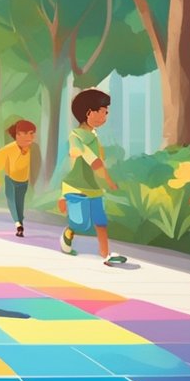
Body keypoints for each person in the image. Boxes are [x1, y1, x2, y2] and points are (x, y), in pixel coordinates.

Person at [60, 88, 128, 266]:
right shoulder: (76, 136)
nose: (105, 116)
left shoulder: (93, 135)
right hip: (77, 187)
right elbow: (94, 162)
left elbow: (98, 160)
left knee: (100, 222)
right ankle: (69, 232)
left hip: (94, 187)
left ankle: (105, 254)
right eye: (103, 112)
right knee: (81, 223)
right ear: (89, 113)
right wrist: (110, 181)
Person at [0, 119, 38, 237]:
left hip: (24, 181)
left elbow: (37, 166)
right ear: (18, 135)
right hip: (10, 180)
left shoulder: (34, 149)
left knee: (19, 203)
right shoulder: (7, 150)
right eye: (26, 133)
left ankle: (20, 221)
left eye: (32, 133)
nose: (30, 137)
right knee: (12, 202)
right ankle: (18, 224)